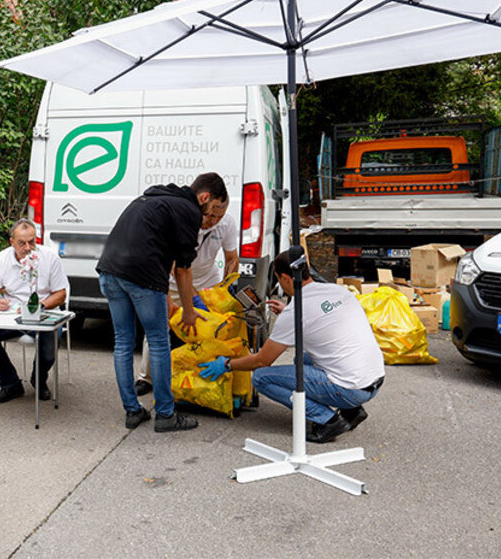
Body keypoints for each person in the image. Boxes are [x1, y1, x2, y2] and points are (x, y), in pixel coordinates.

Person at [198, 250, 385, 443]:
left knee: (262, 378)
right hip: (374, 379)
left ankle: (328, 420)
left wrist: (226, 364)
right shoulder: (337, 291)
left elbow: (262, 360)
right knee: (301, 360)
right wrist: (287, 311)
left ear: (286, 278)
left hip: (350, 388)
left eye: (279, 279)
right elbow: (321, 319)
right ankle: (352, 411)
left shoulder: (297, 311)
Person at [96, 172, 228, 433]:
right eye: (212, 210)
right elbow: (182, 270)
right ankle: (166, 414)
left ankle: (133, 411)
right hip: (141, 277)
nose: (210, 220)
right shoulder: (188, 211)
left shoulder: (154, 198)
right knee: (159, 342)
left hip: (109, 271)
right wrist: (189, 312)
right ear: (204, 197)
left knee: (123, 342)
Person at [134, 196, 240, 396]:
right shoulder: (186, 222)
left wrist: (227, 287)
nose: (213, 220)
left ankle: (200, 379)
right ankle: (145, 377)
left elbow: (232, 259)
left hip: (208, 283)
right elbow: (176, 267)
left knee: (208, 333)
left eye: (218, 216)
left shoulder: (227, 223)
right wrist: (192, 301)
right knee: (159, 327)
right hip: (175, 281)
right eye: (209, 215)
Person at [0, 218, 69, 404]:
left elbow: (61, 294)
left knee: (51, 336)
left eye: (32, 242)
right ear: (12, 242)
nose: (28, 247)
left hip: (43, 313)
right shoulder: (1, 259)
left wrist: (41, 305)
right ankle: (10, 383)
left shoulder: (49, 257)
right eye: (22, 243)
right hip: (13, 315)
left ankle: (39, 379)